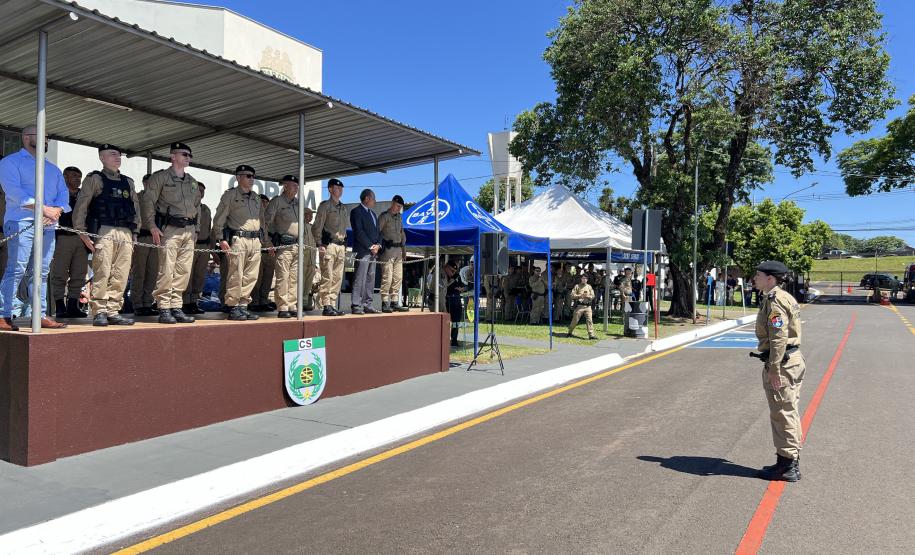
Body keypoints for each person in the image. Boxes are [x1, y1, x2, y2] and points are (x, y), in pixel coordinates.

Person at [0, 125, 71, 331]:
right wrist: (44, 209)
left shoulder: (52, 168)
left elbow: (63, 194)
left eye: (47, 137)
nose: (45, 140)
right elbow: (14, 192)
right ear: (26, 138)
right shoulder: (10, 162)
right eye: (41, 136)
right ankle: (3, 314)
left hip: (48, 224)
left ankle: (39, 315)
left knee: (41, 271)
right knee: (17, 269)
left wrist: (56, 210)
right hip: (21, 222)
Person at [71, 144, 140, 326]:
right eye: (112, 154)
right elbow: (82, 206)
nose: (117, 158)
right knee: (102, 270)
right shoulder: (94, 179)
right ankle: (99, 311)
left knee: (121, 273)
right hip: (104, 230)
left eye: (119, 155)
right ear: (102, 157)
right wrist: (81, 232)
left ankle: (113, 310)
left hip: (125, 231)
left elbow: (135, 208)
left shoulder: (128, 182)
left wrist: (135, 231)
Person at [753, 260, 805, 482]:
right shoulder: (784, 297)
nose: (754, 279)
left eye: (758, 275)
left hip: (783, 363)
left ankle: (788, 465)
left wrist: (774, 368)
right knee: (788, 411)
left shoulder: (775, 301)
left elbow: (779, 336)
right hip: (791, 360)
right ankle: (787, 460)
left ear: (770, 279)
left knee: (782, 413)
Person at [143, 142, 201, 324]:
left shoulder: (192, 182)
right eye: (184, 154)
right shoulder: (160, 177)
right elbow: (148, 201)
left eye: (189, 155)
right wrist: (152, 226)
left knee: (183, 271)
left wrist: (197, 229)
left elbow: (197, 207)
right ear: (173, 156)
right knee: (166, 269)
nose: (188, 158)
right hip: (170, 229)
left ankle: (176, 306)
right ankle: (164, 307)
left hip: (189, 230)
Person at [213, 165, 268, 321]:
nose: (252, 179)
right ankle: (233, 306)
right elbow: (219, 218)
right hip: (239, 239)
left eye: (253, 176)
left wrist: (263, 240)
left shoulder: (256, 197)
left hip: (255, 240)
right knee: (236, 275)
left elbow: (262, 220)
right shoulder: (230, 196)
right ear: (238, 177)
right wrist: (221, 239)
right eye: (248, 176)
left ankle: (243, 306)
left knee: (251, 276)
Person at [50, 166, 89, 318]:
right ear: (65, 177)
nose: (78, 179)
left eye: (79, 176)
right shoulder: (58, 193)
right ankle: (60, 305)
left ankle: (73, 304)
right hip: (63, 237)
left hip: (81, 238)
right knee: (59, 273)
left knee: (79, 273)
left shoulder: (83, 195)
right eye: (74, 176)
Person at [264, 175, 301, 318]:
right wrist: (267, 242)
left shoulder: (298, 203)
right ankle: (282, 306)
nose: (296, 188)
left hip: (297, 245)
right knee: (283, 277)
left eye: (297, 186)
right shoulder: (277, 202)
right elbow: (265, 222)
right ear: (285, 186)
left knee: (294, 278)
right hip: (284, 245)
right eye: (293, 185)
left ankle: (292, 305)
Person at [312, 178, 347, 316]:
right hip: (329, 245)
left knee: (338, 277)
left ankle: (332, 303)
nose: (340, 190)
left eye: (341, 188)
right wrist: (319, 243)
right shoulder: (325, 206)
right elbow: (317, 226)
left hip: (341, 245)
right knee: (327, 275)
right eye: (337, 188)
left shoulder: (343, 208)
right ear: (330, 189)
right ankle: (326, 304)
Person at [131, 173, 160, 317]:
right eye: (149, 182)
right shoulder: (137, 197)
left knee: (152, 272)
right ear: (144, 183)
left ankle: (148, 302)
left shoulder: (159, 198)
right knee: (139, 272)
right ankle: (137, 304)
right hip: (141, 236)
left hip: (156, 239)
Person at [350, 188, 382, 314]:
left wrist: (378, 245)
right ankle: (356, 304)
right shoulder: (356, 211)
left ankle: (368, 304)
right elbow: (359, 231)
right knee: (360, 277)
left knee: (370, 278)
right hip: (363, 250)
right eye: (374, 198)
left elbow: (378, 232)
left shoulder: (373, 214)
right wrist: (370, 246)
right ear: (367, 198)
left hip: (374, 252)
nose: (375, 201)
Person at [182, 181, 212, 315]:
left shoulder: (206, 209)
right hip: (191, 245)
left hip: (204, 246)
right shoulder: (188, 206)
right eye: (199, 190)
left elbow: (210, 230)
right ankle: (185, 302)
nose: (201, 193)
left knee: (199, 275)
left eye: (203, 191)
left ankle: (194, 301)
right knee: (188, 274)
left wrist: (211, 248)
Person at [377, 194, 409, 313]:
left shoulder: (399, 217)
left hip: (398, 250)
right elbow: (377, 232)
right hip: (388, 250)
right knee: (387, 277)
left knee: (398, 277)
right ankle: (385, 302)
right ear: (392, 203)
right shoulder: (384, 216)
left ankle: (394, 302)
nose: (398, 208)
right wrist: (378, 246)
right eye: (397, 206)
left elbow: (402, 233)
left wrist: (404, 250)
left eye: (400, 207)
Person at [250, 193, 276, 312]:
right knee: (257, 278)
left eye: (266, 202)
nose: (264, 204)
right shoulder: (255, 215)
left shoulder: (271, 217)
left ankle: (263, 300)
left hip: (270, 253)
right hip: (259, 250)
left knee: (267, 278)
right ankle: (254, 301)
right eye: (262, 201)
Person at [568, 273, 596, 339]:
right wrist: (579, 296)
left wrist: (588, 296)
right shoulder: (577, 286)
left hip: (588, 306)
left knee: (589, 320)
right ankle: (570, 332)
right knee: (575, 320)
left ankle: (591, 335)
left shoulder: (589, 286)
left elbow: (593, 295)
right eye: (583, 278)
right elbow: (572, 295)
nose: (584, 280)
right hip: (579, 306)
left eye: (585, 278)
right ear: (581, 279)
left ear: (587, 279)